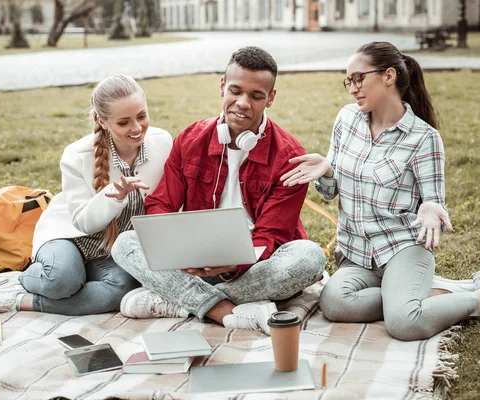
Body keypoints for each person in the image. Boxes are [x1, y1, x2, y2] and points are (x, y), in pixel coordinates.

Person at [280, 41, 480, 341]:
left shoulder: (424, 138)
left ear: (388, 76)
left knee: (404, 324)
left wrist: (431, 210)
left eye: (359, 78)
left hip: (402, 249)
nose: (352, 88)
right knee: (334, 303)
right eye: (349, 80)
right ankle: (421, 294)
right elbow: (331, 193)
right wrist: (328, 170)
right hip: (357, 255)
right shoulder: (346, 120)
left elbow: (433, 203)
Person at [110, 46, 326, 335]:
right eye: (235, 91)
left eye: (256, 95)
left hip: (253, 267)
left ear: (270, 98)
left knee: (310, 257)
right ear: (222, 86)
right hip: (192, 262)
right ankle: (222, 309)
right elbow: (160, 205)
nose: (243, 103)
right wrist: (180, 250)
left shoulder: (290, 157)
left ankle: (179, 300)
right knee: (126, 243)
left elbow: (271, 236)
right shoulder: (190, 138)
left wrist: (230, 264)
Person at [0, 75, 172, 315]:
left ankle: (23, 301)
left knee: (123, 288)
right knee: (62, 281)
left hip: (113, 249)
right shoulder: (77, 155)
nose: (137, 128)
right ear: (103, 121)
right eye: (124, 122)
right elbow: (84, 222)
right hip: (71, 236)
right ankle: (27, 280)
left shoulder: (163, 143)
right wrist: (115, 196)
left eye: (141, 116)